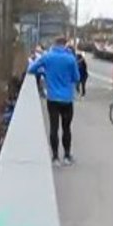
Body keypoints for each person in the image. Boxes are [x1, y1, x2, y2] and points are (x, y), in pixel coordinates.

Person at [28, 37, 80, 166]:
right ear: (65, 44)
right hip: (67, 99)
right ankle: (67, 156)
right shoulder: (70, 59)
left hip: (52, 99)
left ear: (54, 44)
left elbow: (31, 69)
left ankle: (55, 157)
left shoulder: (48, 57)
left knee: (54, 128)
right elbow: (77, 77)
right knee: (66, 128)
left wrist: (45, 72)